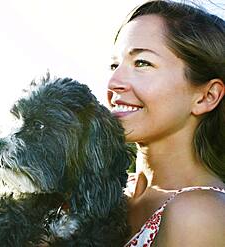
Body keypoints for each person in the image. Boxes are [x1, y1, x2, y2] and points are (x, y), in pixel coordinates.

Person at [106, 0, 225, 246]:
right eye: (114, 65)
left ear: (206, 96)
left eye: (142, 63)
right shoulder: (108, 193)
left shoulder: (199, 216)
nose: (114, 82)